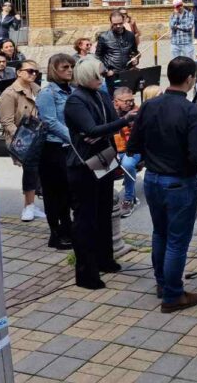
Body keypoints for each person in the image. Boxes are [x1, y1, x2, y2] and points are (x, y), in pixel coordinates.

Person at [127, 56, 197, 313]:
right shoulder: (191, 111)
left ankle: (163, 284)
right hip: (179, 181)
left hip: (152, 179)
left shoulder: (149, 106)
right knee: (176, 240)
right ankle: (172, 295)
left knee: (160, 233)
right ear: (190, 79)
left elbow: (133, 146)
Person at [64, 57, 135, 289]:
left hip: (104, 156)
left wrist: (110, 127)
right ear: (87, 76)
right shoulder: (76, 100)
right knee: (86, 218)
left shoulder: (101, 95)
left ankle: (105, 259)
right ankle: (86, 272)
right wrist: (120, 122)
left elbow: (107, 126)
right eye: (98, 75)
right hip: (84, 163)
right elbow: (92, 129)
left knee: (105, 210)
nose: (102, 78)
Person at [35, 54, 75, 249]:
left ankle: (67, 228)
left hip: (69, 147)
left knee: (68, 192)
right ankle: (56, 233)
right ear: (54, 70)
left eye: (71, 67)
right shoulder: (47, 93)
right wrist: (73, 137)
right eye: (65, 67)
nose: (70, 70)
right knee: (54, 193)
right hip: (52, 148)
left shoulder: (72, 90)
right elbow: (50, 122)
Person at [0, 59, 44, 223]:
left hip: (39, 135)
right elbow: (7, 122)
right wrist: (23, 138)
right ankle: (28, 206)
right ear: (19, 72)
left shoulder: (37, 89)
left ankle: (32, 203)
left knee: (39, 170)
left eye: (36, 72)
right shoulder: (9, 93)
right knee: (30, 170)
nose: (34, 74)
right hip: (22, 139)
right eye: (30, 71)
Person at [111, 86, 141, 217]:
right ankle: (108, 197)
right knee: (99, 168)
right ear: (116, 101)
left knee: (127, 165)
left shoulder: (136, 111)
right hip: (113, 150)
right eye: (126, 101)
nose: (130, 104)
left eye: (131, 100)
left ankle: (129, 199)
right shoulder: (109, 112)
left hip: (132, 148)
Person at [95, 10, 139, 93]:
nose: (118, 26)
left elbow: (135, 52)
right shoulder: (104, 37)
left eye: (120, 23)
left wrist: (135, 60)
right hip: (112, 74)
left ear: (124, 20)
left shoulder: (130, 35)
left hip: (127, 72)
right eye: (115, 24)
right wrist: (106, 71)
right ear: (111, 22)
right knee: (115, 99)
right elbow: (97, 56)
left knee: (127, 97)